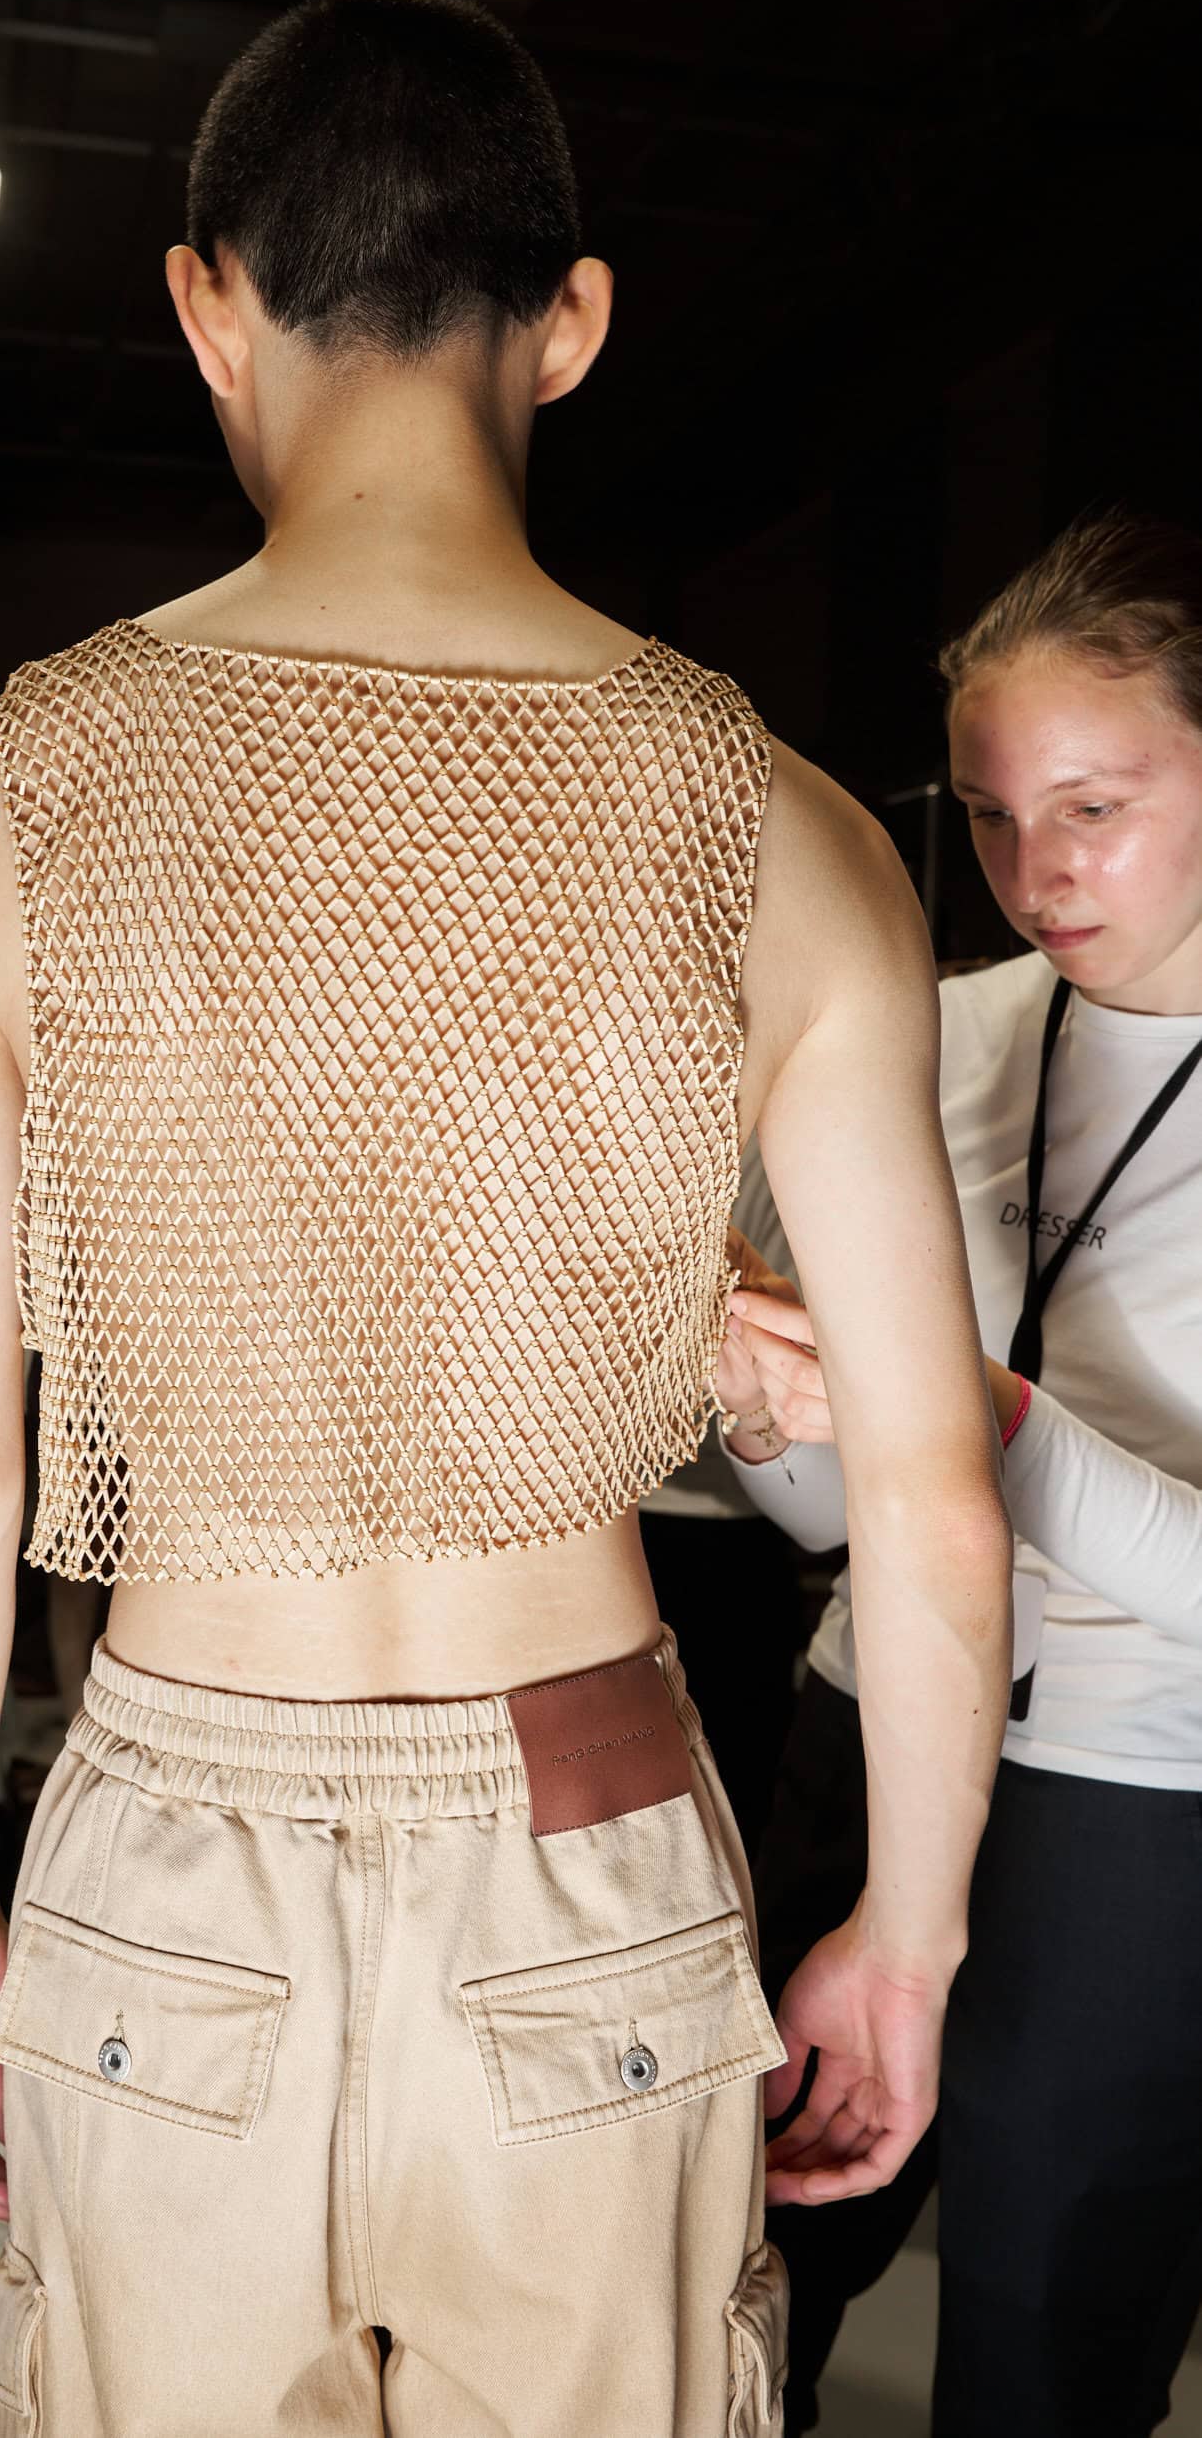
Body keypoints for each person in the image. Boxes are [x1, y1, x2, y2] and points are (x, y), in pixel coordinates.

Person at [0, 0, 1011, 2437]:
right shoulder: (788, 830)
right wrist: (906, 1938)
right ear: (569, 323)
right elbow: (921, 1492)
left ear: (207, 300)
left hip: (163, 1836)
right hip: (579, 1833)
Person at [717, 509, 1202, 2438]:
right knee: (735, 2289)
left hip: (1136, 1818)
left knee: (1040, 2352)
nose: (1036, 873)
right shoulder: (944, 1031)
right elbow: (841, 1521)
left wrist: (969, 1418)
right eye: (993, 817)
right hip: (863, 1727)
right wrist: (770, 1414)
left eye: (1096, 803)